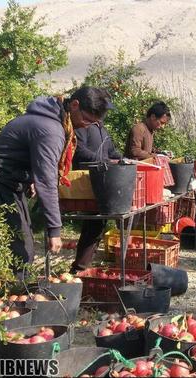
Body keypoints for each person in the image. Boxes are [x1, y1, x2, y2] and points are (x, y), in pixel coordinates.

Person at [0, 86, 112, 278]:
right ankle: (18, 298)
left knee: (20, 245)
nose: (87, 126)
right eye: (86, 119)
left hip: (10, 184)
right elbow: (47, 181)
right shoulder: (51, 130)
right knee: (20, 251)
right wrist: (55, 229)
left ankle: (14, 292)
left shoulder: (54, 121)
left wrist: (28, 176)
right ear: (75, 105)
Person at [70, 90, 121, 273]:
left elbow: (111, 151)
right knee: (92, 225)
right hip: (88, 180)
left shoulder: (101, 127)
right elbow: (77, 150)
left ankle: (82, 266)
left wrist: (122, 160)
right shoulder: (82, 125)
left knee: (97, 225)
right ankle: (79, 268)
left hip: (105, 179)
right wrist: (102, 161)